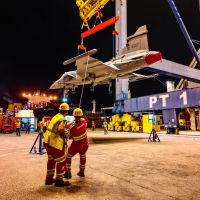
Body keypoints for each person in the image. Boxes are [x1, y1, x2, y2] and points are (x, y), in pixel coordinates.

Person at [43, 103, 72, 187]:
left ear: (60, 110)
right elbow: (60, 128)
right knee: (62, 161)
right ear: (66, 111)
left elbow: (60, 126)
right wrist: (65, 134)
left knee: (51, 160)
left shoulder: (56, 117)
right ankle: (59, 180)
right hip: (54, 143)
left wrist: (71, 123)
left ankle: (49, 179)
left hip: (47, 141)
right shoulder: (62, 119)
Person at [64, 108, 88, 179]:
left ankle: (68, 173)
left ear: (74, 116)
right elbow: (80, 121)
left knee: (68, 156)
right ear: (81, 115)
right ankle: (82, 172)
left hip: (76, 146)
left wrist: (70, 125)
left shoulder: (72, 127)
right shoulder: (84, 121)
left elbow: (69, 137)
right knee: (82, 156)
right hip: (85, 144)